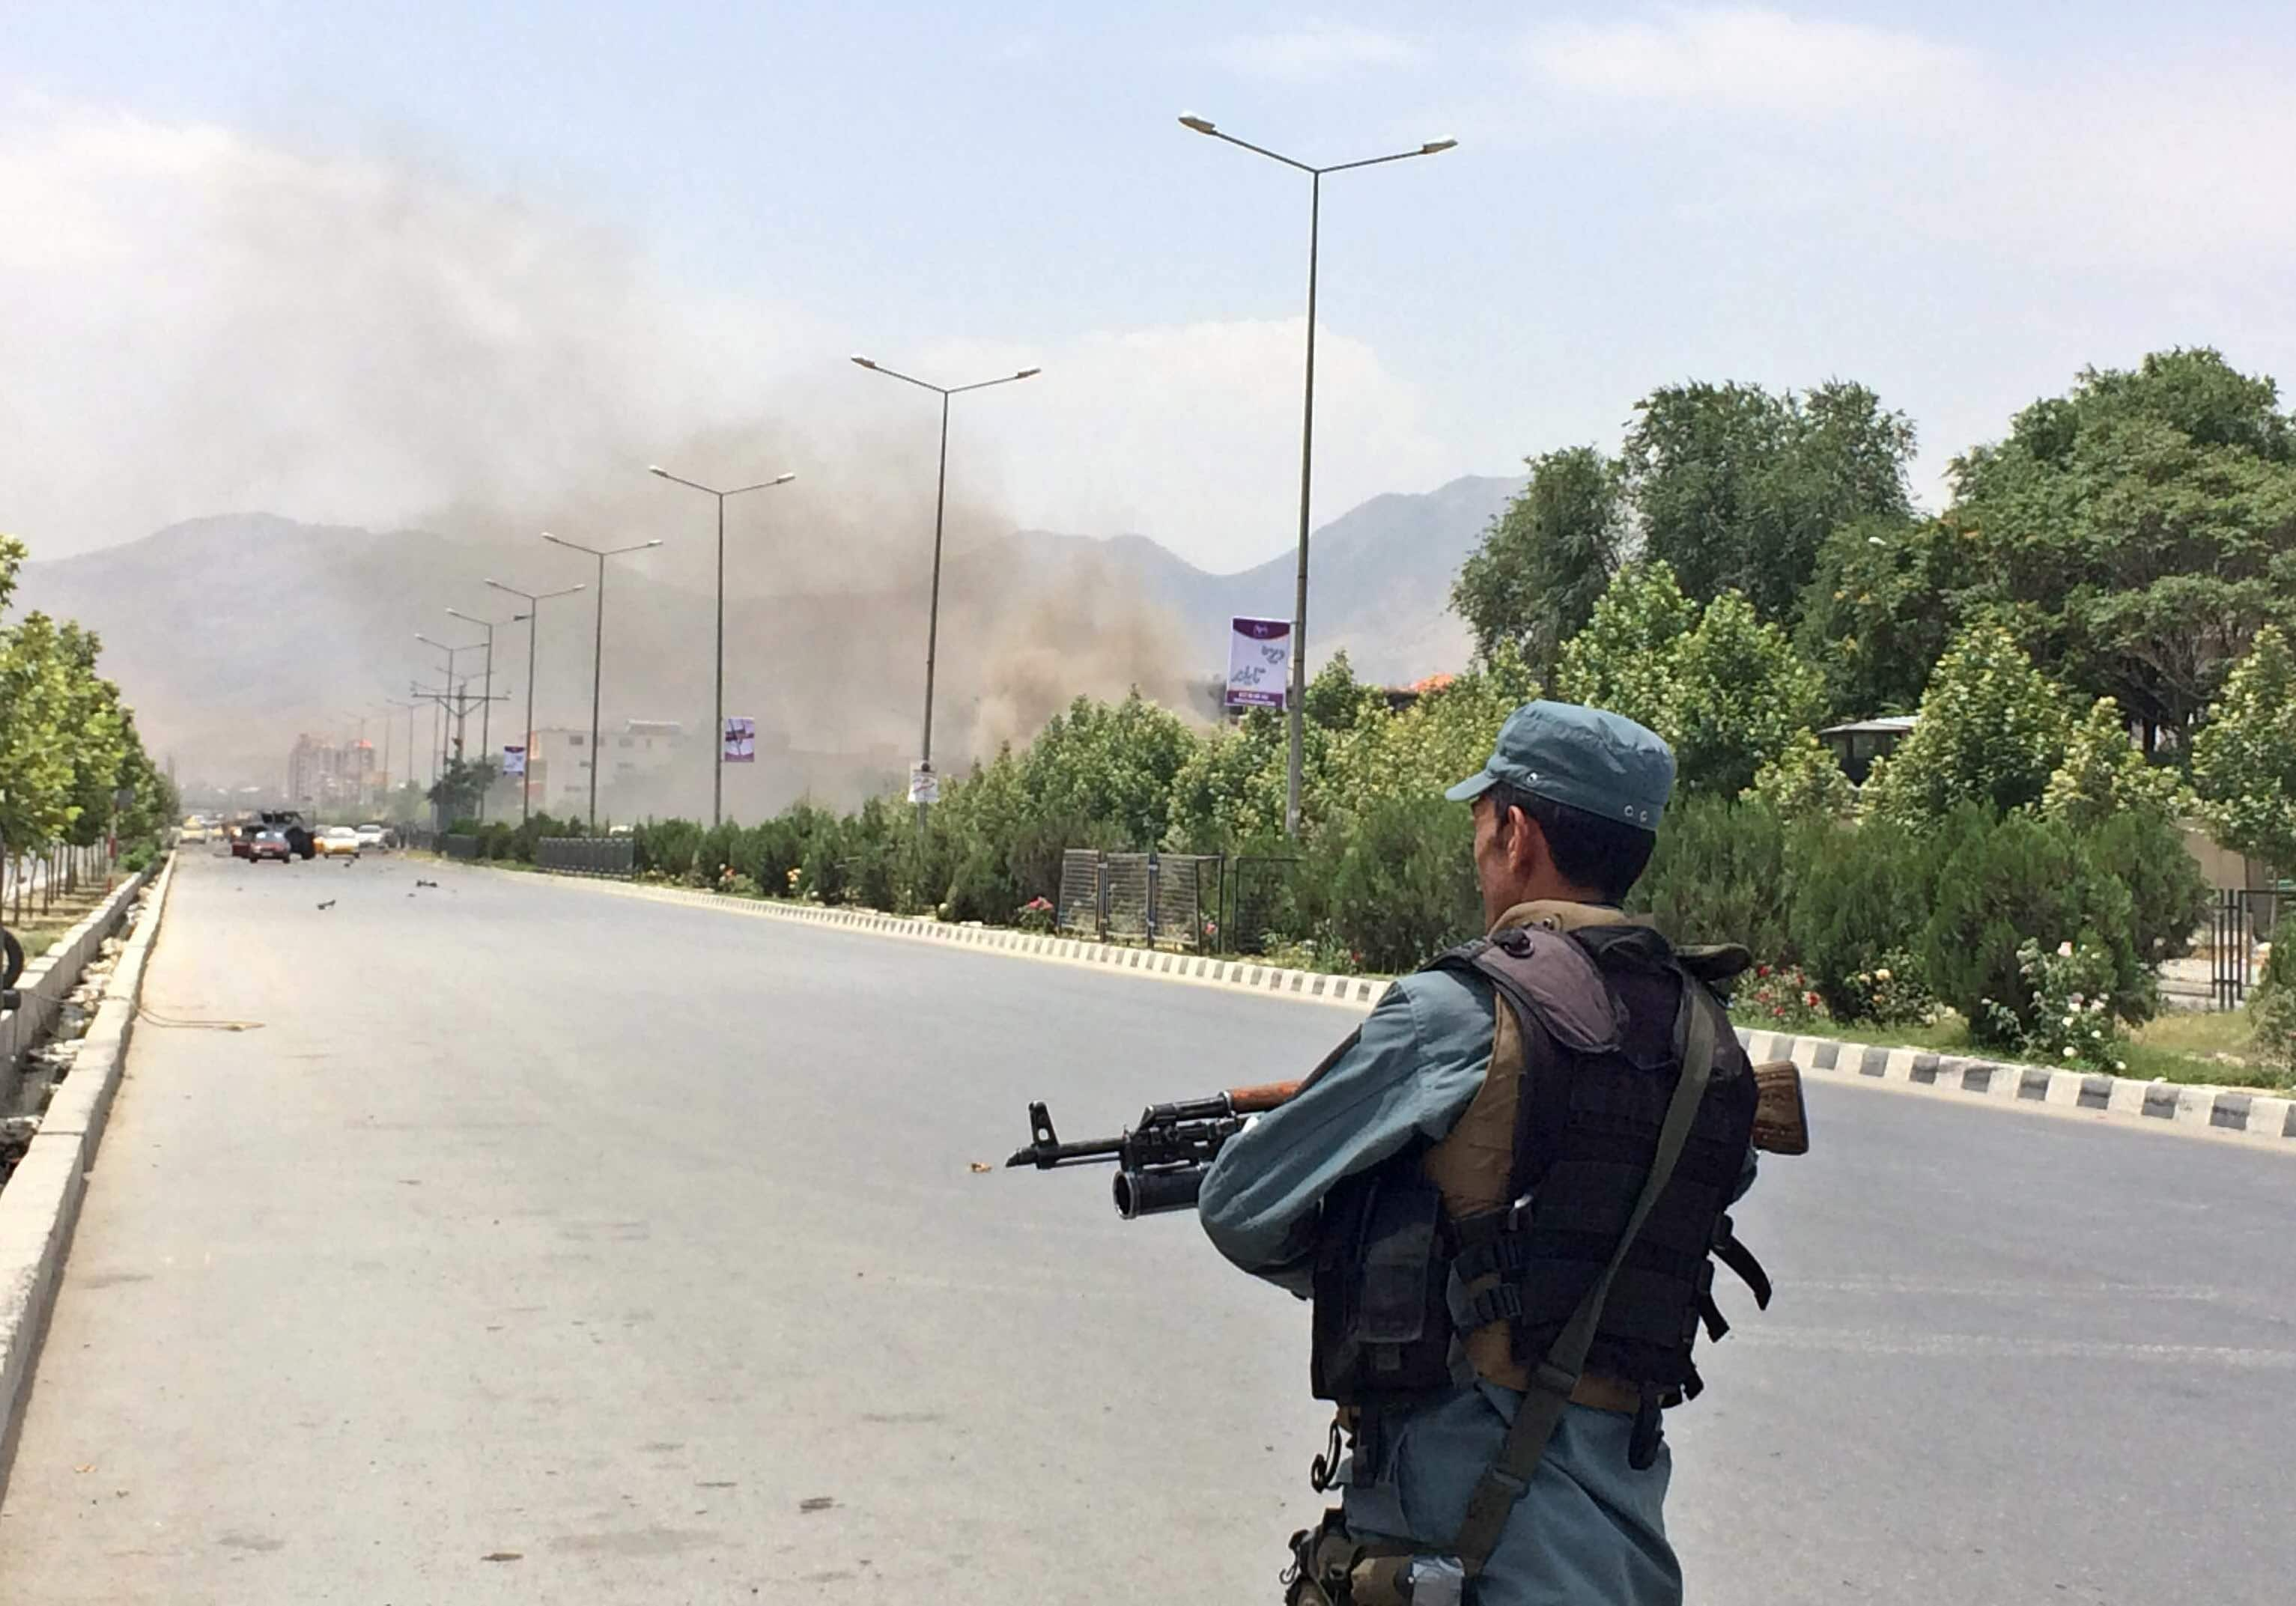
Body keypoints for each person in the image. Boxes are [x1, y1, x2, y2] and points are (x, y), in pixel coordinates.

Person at [1199, 699, 1768, 1606]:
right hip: (1622, 1564)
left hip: (1457, 1555)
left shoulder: (1456, 1012)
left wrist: (1392, 1261)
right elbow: (1695, 1194)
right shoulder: (1704, 1034)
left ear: (1516, 831)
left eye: (1481, 821)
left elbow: (1240, 1203)